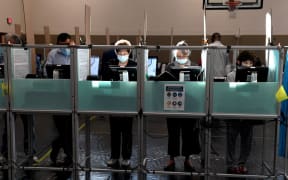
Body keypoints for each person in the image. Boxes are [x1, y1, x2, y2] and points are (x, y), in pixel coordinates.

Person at [0, 33, 37, 162]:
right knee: (8, 125)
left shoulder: (24, 54)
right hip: (10, 94)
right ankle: (5, 152)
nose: (6, 44)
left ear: (14, 43)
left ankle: (31, 152)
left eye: (8, 42)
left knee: (29, 125)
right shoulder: (2, 53)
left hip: (25, 94)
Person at [164, 41, 199, 172]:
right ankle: (171, 159)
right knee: (173, 132)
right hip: (172, 102)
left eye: (183, 55)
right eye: (179, 55)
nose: (181, 57)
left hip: (190, 104)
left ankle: (187, 159)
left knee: (188, 133)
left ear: (188, 54)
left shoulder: (195, 66)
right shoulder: (169, 66)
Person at [102, 39, 136, 169]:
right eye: (120, 52)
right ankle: (114, 156)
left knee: (127, 131)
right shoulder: (110, 64)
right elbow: (104, 80)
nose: (123, 54)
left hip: (129, 102)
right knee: (114, 131)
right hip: (114, 102)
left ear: (129, 52)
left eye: (125, 52)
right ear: (116, 52)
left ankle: (126, 157)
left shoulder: (134, 64)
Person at [46, 33, 74, 167]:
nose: (65, 47)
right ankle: (67, 154)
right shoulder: (52, 54)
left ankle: (61, 150)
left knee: (69, 128)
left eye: (67, 44)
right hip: (57, 95)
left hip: (72, 94)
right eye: (62, 45)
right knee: (61, 127)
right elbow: (47, 71)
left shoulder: (75, 53)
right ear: (58, 44)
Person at [226, 50, 255, 174]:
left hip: (248, 111)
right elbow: (228, 93)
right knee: (231, 139)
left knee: (247, 140)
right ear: (239, 62)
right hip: (234, 111)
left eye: (250, 62)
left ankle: (242, 163)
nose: (247, 65)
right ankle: (231, 164)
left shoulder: (255, 75)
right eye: (245, 62)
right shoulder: (231, 75)